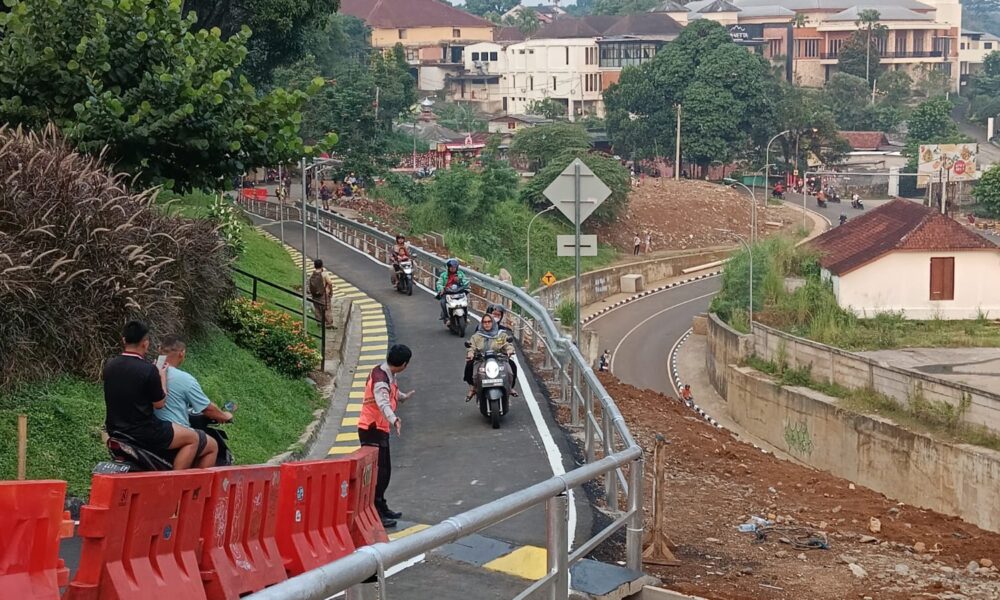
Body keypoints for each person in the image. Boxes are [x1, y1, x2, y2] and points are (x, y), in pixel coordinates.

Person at [102, 321, 203, 470]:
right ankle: (173, 484)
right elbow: (159, 403)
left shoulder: (109, 365)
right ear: (145, 343)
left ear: (124, 340)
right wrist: (161, 375)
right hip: (144, 431)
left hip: (114, 429)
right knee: (193, 439)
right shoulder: (148, 370)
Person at [155, 335, 236, 467]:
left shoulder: (148, 370)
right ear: (182, 354)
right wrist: (224, 416)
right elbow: (207, 408)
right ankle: (194, 486)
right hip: (171, 431)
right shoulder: (185, 379)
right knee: (212, 446)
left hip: (146, 427)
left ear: (159, 349)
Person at [358, 344, 415, 528]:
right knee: (378, 474)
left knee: (384, 472)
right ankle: (376, 512)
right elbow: (383, 402)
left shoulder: (385, 372)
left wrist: (403, 397)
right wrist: (395, 419)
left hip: (379, 429)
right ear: (404, 364)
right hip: (372, 428)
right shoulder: (381, 380)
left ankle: (381, 506)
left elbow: (393, 392)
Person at [464, 313, 515, 401]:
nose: (487, 324)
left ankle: (510, 388)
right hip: (481, 360)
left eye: (489, 322)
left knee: (511, 369)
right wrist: (471, 353)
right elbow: (471, 347)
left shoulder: (500, 335)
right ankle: (473, 388)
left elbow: (507, 344)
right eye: (484, 322)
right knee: (473, 372)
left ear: (493, 323)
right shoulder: (476, 336)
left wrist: (509, 350)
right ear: (482, 324)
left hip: (499, 360)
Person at [435, 258, 470, 325]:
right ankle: (446, 318)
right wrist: (441, 288)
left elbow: (465, 281)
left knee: (465, 300)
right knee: (442, 302)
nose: (453, 268)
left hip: (458, 291)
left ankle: (465, 316)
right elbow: (439, 283)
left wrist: (460, 281)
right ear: (448, 267)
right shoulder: (443, 275)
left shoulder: (460, 274)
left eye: (454, 267)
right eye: (451, 267)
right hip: (447, 292)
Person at [309, 259, 336, 327]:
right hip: (323, 294)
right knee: (326, 308)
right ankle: (329, 323)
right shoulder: (324, 274)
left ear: (315, 266)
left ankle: (319, 322)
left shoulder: (312, 274)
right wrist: (330, 291)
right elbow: (330, 283)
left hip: (315, 295)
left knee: (317, 308)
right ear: (322, 265)